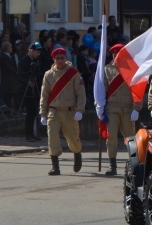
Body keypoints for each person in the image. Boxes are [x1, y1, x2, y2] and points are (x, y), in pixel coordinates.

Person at [96, 44, 142, 176]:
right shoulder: (106, 69)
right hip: (112, 107)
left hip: (128, 108)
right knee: (111, 137)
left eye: (119, 53)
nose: (116, 56)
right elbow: (101, 89)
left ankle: (134, 165)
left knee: (130, 138)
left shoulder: (132, 69)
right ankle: (112, 166)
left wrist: (137, 108)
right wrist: (100, 106)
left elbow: (138, 89)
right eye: (114, 54)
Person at [39, 47, 85, 176]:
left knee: (73, 138)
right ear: (54, 60)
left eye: (62, 58)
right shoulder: (48, 75)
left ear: (66, 59)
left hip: (70, 111)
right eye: (57, 58)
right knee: (52, 138)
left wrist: (80, 110)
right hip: (53, 111)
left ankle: (77, 154)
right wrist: (42, 113)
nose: (60, 60)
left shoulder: (74, 73)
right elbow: (45, 95)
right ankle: (55, 167)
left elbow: (81, 94)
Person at [18, 42, 44, 141]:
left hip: (35, 88)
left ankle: (32, 134)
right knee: (30, 112)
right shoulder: (24, 61)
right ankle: (28, 135)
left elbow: (39, 73)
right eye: (37, 52)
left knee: (34, 112)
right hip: (26, 90)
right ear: (31, 50)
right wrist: (28, 82)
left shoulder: (36, 61)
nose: (38, 54)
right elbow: (20, 75)